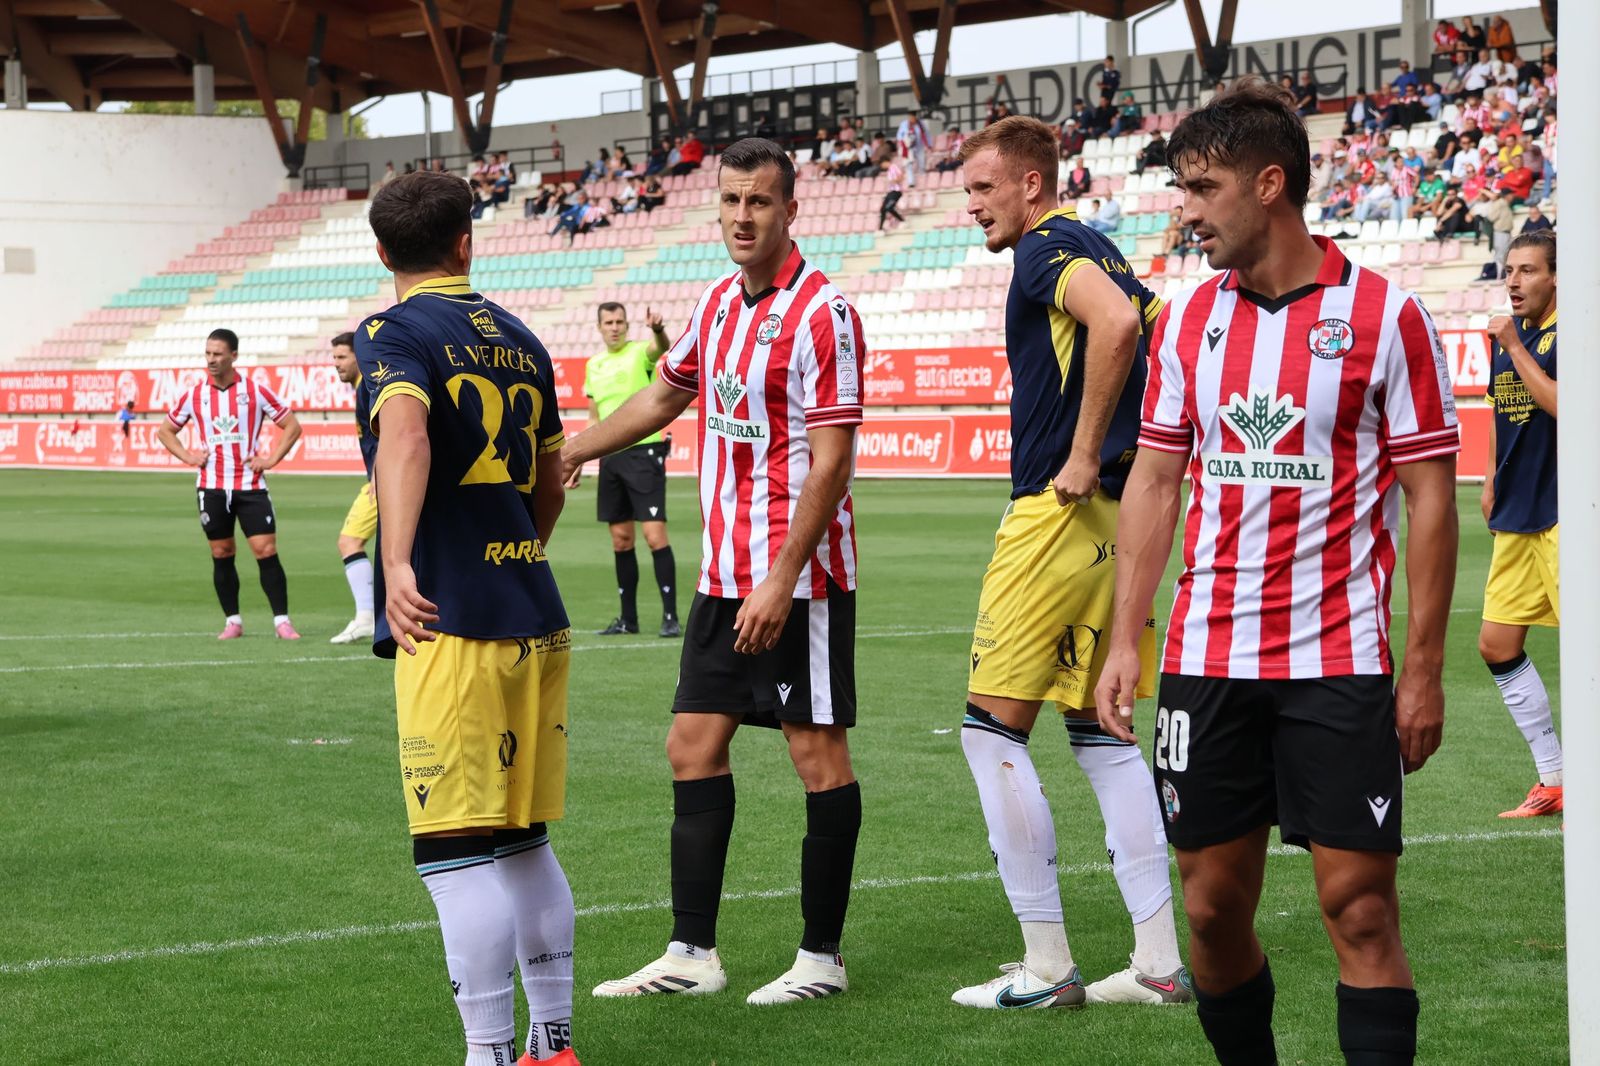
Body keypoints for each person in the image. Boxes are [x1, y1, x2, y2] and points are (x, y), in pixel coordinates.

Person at [1097, 76, 1459, 1066]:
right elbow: (1156, 479)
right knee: (1210, 916)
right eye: (1180, 188)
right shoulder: (1184, 321)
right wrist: (1126, 635)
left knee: (1360, 911)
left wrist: (1420, 666)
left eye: (1202, 188)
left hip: (1335, 663)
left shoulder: (1386, 317)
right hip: (1208, 662)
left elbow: (1430, 497)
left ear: (1268, 185)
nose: (1185, 211)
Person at [566, 138, 866, 1006]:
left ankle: (822, 959)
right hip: (722, 576)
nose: (742, 217)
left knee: (817, 759)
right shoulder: (716, 303)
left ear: (791, 210)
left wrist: (779, 577)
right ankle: (692, 953)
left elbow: (832, 461)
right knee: (691, 748)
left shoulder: (824, 315)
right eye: (732, 201)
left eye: (760, 203)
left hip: (796, 582)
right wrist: (575, 449)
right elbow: (667, 395)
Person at [950, 115, 1187, 1011]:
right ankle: (1158, 964)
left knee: (990, 731)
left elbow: (1119, 324)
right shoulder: (1104, 246)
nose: (973, 206)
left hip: (1059, 514)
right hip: (1121, 518)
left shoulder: (1046, 248)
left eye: (983, 188)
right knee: (1103, 731)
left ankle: (1047, 969)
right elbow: (1151, 327)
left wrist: (1084, 452)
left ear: (1031, 186)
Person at [356, 170, 578, 1066]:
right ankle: (551, 1044)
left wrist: (399, 561)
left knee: (453, 852)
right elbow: (551, 481)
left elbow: (404, 434)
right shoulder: (524, 340)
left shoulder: (391, 331)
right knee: (522, 839)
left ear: (383, 254)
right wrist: (520, 547)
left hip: (454, 623)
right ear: (465, 242)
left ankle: (487, 1054)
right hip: (533, 613)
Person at [1479, 232, 1562, 819]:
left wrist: (1515, 346)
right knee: (1497, 644)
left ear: (1556, 278)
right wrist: (1488, 479)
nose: (1513, 281)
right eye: (1509, 270)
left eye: (1527, 270)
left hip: (1565, 513)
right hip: (1517, 513)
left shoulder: (1570, 332)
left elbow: (1568, 404)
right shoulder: (1508, 338)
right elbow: (1499, 410)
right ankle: (1554, 779)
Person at [156, 330, 302, 641]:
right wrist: (188, 455)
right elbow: (166, 430)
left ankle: (282, 622)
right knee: (222, 552)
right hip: (210, 487)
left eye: (218, 354)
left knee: (266, 550)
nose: (211, 359)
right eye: (208, 353)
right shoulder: (195, 395)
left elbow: (292, 425)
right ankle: (233, 621)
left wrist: (272, 459)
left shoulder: (255, 391)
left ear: (233, 355)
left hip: (250, 486)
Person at [576, 302, 681, 639]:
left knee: (654, 536)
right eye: (608, 322)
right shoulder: (594, 365)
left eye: (620, 321)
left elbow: (661, 348)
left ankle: (670, 616)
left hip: (643, 454)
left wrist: (658, 329)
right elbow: (594, 417)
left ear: (627, 325)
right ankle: (628, 619)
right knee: (621, 541)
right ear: (599, 327)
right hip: (611, 458)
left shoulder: (640, 353)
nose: (615, 327)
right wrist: (580, 456)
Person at [330, 331, 377, 645]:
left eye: (342, 357)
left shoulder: (369, 389)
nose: (336, 364)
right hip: (384, 480)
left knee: (349, 541)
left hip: (384, 483)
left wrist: (379, 474)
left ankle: (367, 618)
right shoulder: (365, 388)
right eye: (334, 358)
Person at [896, 109, 930, 186]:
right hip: (908, 148)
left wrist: (929, 144)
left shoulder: (921, 124)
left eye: (913, 117)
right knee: (909, 164)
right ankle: (911, 182)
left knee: (922, 163)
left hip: (919, 146)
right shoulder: (904, 124)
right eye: (910, 117)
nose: (912, 119)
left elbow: (926, 135)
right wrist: (904, 142)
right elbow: (899, 136)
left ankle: (923, 181)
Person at [879, 158, 906, 229]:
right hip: (890, 191)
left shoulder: (894, 167)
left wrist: (894, 181)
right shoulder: (889, 171)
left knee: (889, 207)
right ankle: (880, 228)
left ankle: (902, 220)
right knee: (882, 209)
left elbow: (901, 176)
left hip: (896, 191)